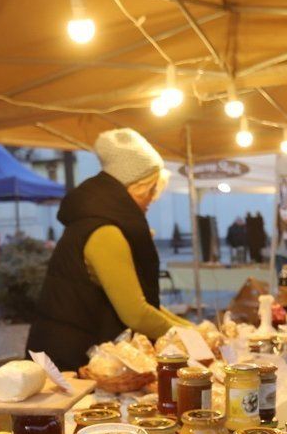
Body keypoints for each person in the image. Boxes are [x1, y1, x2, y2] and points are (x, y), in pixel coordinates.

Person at [28, 128, 188, 370]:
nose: (151, 199)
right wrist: (190, 338)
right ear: (136, 187)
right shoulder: (105, 232)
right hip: (68, 361)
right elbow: (136, 313)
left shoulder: (96, 221)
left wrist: (190, 329)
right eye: (152, 190)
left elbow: (138, 303)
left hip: (70, 350)